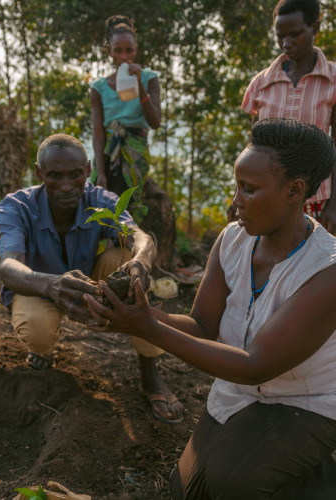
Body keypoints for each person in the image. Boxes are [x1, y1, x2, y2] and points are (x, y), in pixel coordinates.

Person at [84, 119, 336, 499]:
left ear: (294, 190)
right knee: (186, 491)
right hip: (241, 393)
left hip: (307, 402)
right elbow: (202, 324)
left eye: (249, 190)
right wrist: (133, 314)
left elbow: (256, 365)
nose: (236, 201)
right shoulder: (234, 240)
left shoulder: (326, 269)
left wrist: (149, 328)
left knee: (234, 482)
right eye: (237, 186)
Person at [0, 133, 183, 424]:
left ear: (87, 170)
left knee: (125, 264)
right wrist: (51, 284)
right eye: (55, 176)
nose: (67, 186)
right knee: (37, 329)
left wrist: (142, 262)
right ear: (39, 173)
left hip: (89, 284)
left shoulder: (100, 201)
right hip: (40, 288)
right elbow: (8, 266)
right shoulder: (18, 207)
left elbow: (139, 237)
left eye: (75, 175)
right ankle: (43, 352)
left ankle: (149, 373)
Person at [242, 0, 336, 233]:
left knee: (315, 265)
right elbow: (254, 147)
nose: (286, 43)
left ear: (314, 28)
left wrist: (334, 203)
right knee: (271, 262)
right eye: (280, 36)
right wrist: (242, 194)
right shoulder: (261, 83)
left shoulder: (333, 79)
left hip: (317, 199)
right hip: (268, 200)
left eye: (294, 34)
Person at [90, 14, 161, 222]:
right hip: (107, 153)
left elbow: (154, 121)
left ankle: (128, 248)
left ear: (136, 49)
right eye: (117, 51)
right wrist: (100, 172)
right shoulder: (99, 88)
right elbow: (98, 131)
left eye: (128, 50)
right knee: (100, 204)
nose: (123, 56)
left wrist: (138, 84)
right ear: (109, 52)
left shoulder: (150, 79)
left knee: (127, 206)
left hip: (134, 151)